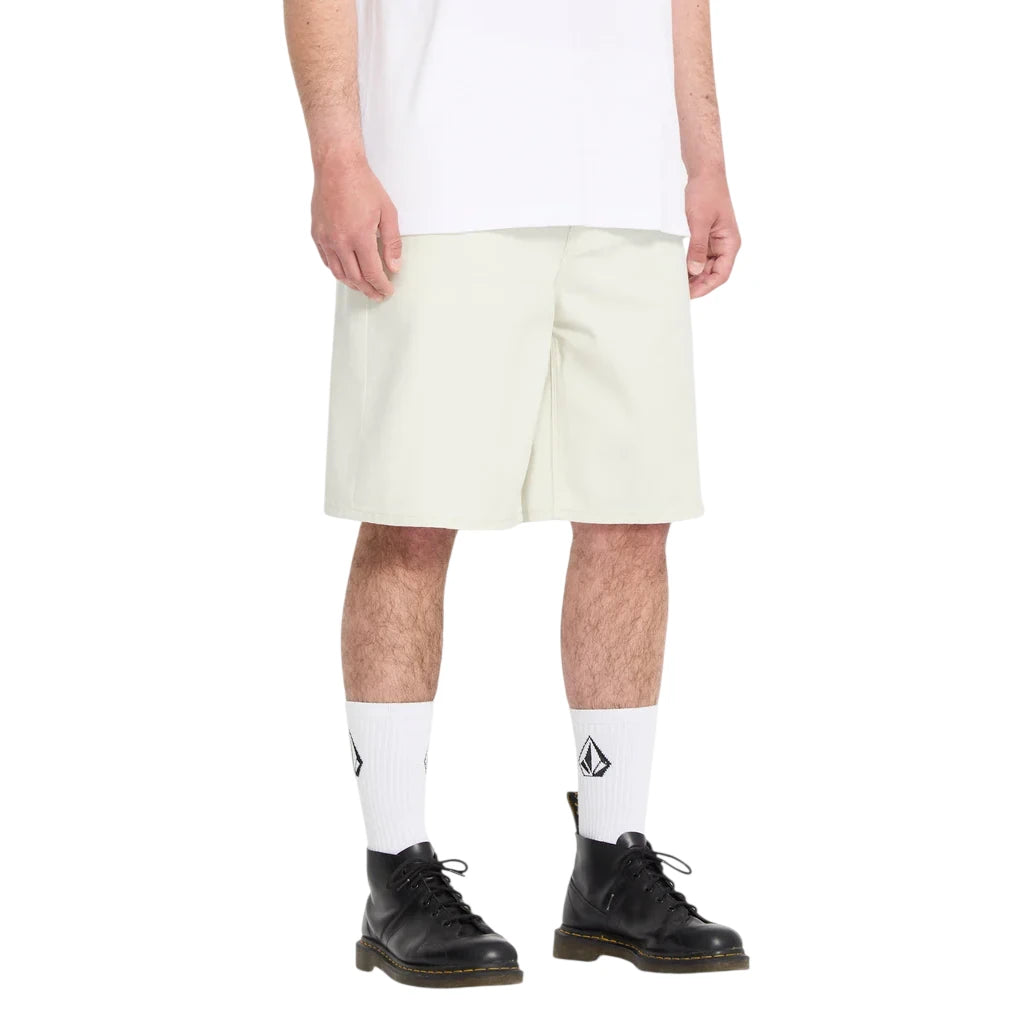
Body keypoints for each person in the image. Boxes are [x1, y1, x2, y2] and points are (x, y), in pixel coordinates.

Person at [285, 0, 745, 988]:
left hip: (627, 182)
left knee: (632, 514)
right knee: (411, 514)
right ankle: (394, 873)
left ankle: (611, 863)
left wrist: (703, 155)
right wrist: (336, 152)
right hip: (436, 174)